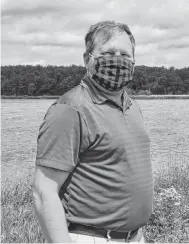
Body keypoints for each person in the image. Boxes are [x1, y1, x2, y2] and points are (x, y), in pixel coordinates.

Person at [32, 21, 153, 243]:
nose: (117, 60)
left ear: (134, 62)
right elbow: (44, 192)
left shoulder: (133, 107)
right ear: (88, 59)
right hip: (90, 237)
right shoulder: (70, 110)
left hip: (133, 237)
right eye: (108, 53)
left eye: (125, 55)